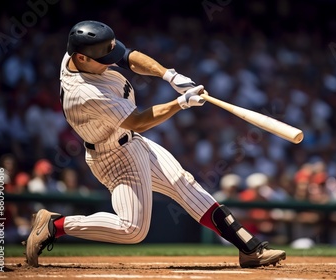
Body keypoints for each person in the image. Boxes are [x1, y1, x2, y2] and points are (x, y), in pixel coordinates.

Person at [24, 20, 285, 268]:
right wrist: (181, 103)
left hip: (131, 144)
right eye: (103, 60)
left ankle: (249, 248)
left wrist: (169, 75)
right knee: (132, 230)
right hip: (113, 157)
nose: (110, 63)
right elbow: (137, 121)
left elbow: (129, 57)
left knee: (186, 185)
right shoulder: (85, 93)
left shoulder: (77, 55)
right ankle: (55, 226)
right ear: (81, 58)